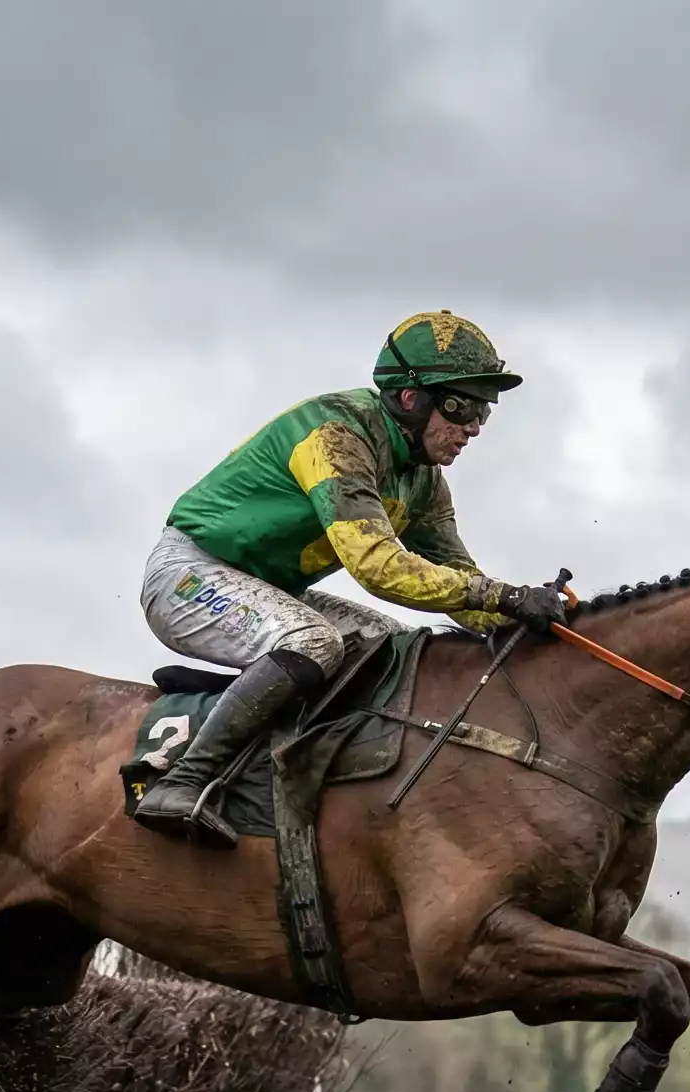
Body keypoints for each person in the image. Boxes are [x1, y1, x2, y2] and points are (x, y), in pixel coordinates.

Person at [133, 312, 569, 847]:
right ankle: (184, 780)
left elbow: (462, 586)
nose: (474, 427)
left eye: (484, 411)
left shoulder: (423, 482)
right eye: (463, 406)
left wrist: (538, 622)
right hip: (189, 574)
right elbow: (377, 565)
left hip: (268, 590)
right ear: (409, 398)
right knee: (314, 642)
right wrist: (504, 596)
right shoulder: (337, 437)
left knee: (396, 647)